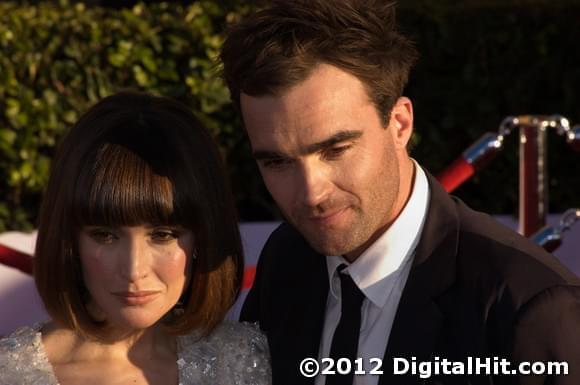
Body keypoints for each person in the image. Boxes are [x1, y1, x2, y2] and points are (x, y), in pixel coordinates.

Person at [219, 0, 580, 384]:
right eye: (277, 162)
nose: (311, 193)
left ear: (400, 124)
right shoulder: (287, 258)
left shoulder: (527, 305)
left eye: (335, 150)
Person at [0, 92, 271, 385]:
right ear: (71, 240)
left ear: (203, 238)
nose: (134, 269)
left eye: (162, 235)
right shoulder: (9, 375)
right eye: (105, 235)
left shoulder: (242, 362)